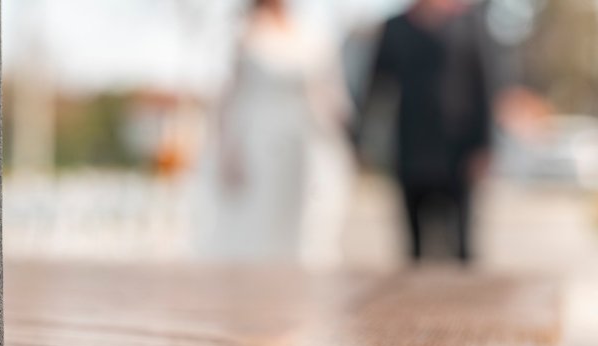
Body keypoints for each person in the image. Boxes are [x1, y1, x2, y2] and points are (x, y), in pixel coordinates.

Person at [195, 0, 354, 267]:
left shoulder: (310, 32)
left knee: (303, 223)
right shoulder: (244, 33)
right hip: (258, 142)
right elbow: (228, 97)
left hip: (304, 142)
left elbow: (329, 93)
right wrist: (226, 152)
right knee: (259, 221)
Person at [361, 0, 492, 264]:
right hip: (412, 149)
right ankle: (415, 305)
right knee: (414, 250)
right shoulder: (395, 27)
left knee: (463, 248)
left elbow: (485, 87)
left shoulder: (469, 23)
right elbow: (376, 87)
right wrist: (363, 139)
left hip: (458, 152)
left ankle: (465, 304)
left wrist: (484, 145)